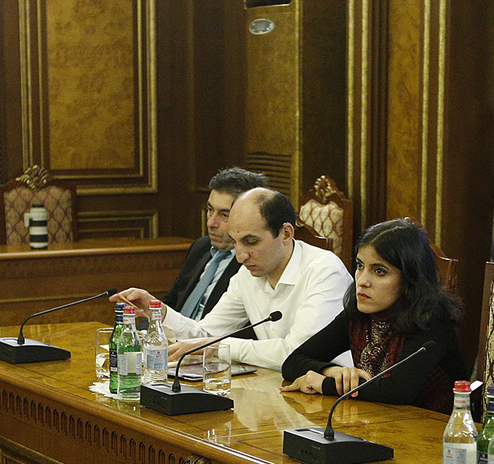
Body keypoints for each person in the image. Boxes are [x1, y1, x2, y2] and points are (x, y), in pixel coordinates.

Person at [114, 187, 351, 372]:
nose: (240, 256)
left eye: (251, 242)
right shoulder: (247, 274)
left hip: (334, 396)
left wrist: (219, 347)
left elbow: (299, 353)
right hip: (275, 387)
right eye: (235, 242)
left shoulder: (324, 271)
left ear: (286, 234)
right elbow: (206, 335)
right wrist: (159, 310)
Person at [280, 219, 468, 414]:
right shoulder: (359, 314)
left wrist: (325, 384)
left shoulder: (431, 319)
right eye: (360, 266)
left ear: (409, 279)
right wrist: (333, 372)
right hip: (375, 420)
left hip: (436, 427)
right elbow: (293, 362)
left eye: (379, 271)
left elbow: (396, 391)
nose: (362, 281)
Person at [159, 168, 267, 319]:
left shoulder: (253, 263)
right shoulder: (201, 247)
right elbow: (171, 301)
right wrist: (144, 329)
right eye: (210, 210)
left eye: (224, 215)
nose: (211, 223)